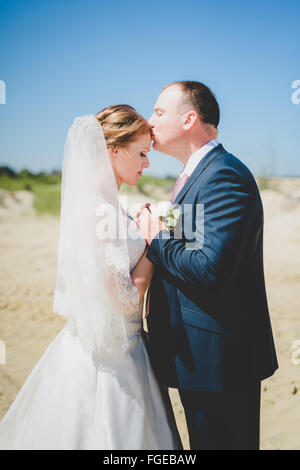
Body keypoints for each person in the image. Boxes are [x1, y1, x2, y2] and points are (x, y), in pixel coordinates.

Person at [0, 105, 183, 450]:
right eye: (142, 153)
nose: (147, 163)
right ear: (113, 152)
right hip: (110, 359)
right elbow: (125, 299)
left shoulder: (111, 205)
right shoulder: (97, 211)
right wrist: (152, 248)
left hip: (128, 347)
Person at [137, 81, 279, 450]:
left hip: (219, 362)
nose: (149, 121)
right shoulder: (196, 176)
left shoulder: (223, 176)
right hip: (199, 358)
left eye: (159, 112)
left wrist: (156, 237)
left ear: (189, 119)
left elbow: (210, 267)